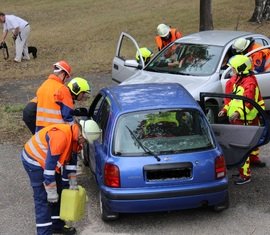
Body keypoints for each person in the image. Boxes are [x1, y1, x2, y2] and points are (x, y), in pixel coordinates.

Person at [20, 121, 89, 235]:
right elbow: (49, 169)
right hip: (34, 160)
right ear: (81, 135)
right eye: (85, 141)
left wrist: (72, 182)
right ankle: (44, 232)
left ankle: (57, 226)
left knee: (59, 191)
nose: (84, 144)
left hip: (48, 162)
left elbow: (71, 162)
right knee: (43, 197)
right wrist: (51, 191)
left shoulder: (75, 137)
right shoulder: (60, 137)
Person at [218, 55, 266, 185]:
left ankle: (245, 175)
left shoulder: (249, 83)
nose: (231, 71)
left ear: (240, 69)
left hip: (246, 118)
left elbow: (248, 102)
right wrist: (226, 109)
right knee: (250, 143)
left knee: (241, 147)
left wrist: (238, 113)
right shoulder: (236, 80)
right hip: (241, 118)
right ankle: (253, 159)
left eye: (233, 69)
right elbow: (232, 99)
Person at [23, 76, 91, 134]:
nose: (84, 96)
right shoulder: (66, 95)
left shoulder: (63, 91)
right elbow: (67, 117)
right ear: (77, 90)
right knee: (44, 138)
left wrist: (75, 112)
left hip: (31, 110)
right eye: (83, 93)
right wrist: (77, 132)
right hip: (32, 113)